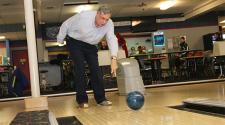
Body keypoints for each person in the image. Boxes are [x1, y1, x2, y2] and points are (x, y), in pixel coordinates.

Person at [57, 6, 118, 108]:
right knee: (80, 68)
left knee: (96, 70)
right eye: (102, 18)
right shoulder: (84, 16)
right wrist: (60, 40)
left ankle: (101, 99)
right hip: (75, 42)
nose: (104, 22)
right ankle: (82, 100)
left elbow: (111, 39)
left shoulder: (109, 24)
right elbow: (65, 24)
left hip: (91, 45)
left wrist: (114, 58)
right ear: (97, 14)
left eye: (107, 19)